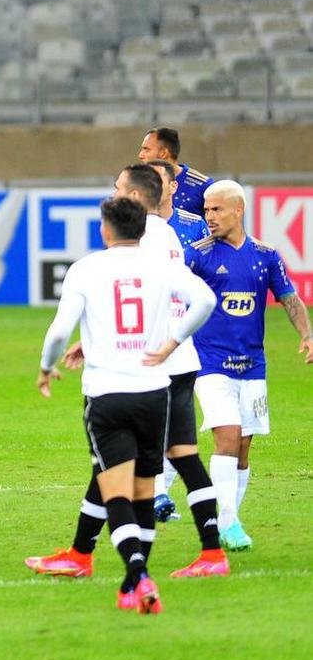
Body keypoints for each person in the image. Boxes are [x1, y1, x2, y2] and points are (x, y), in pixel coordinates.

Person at [26, 166, 229, 581]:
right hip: (169, 361)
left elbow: (134, 297)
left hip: (152, 365)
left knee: (141, 464)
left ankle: (186, 555)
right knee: (157, 460)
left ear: (133, 197)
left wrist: (160, 340)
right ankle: (86, 553)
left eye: (119, 187)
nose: (114, 191)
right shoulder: (166, 232)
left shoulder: (141, 242)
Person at [186, 179, 313, 551]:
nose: (209, 216)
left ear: (238, 210)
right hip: (209, 363)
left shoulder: (266, 255)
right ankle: (227, 521)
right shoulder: (198, 255)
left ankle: (230, 520)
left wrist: (306, 335)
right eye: (206, 210)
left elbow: (290, 298)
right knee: (226, 436)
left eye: (216, 209)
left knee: (243, 446)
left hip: (253, 365)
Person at [146, 158, 210, 521]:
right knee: (177, 440)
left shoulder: (188, 227)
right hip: (170, 341)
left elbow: (203, 284)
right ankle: (161, 496)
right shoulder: (149, 229)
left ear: (173, 187)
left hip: (178, 338)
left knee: (162, 433)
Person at [137, 126, 214, 217]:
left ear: (163, 153)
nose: (140, 155)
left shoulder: (202, 185)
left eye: (146, 149)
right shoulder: (136, 183)